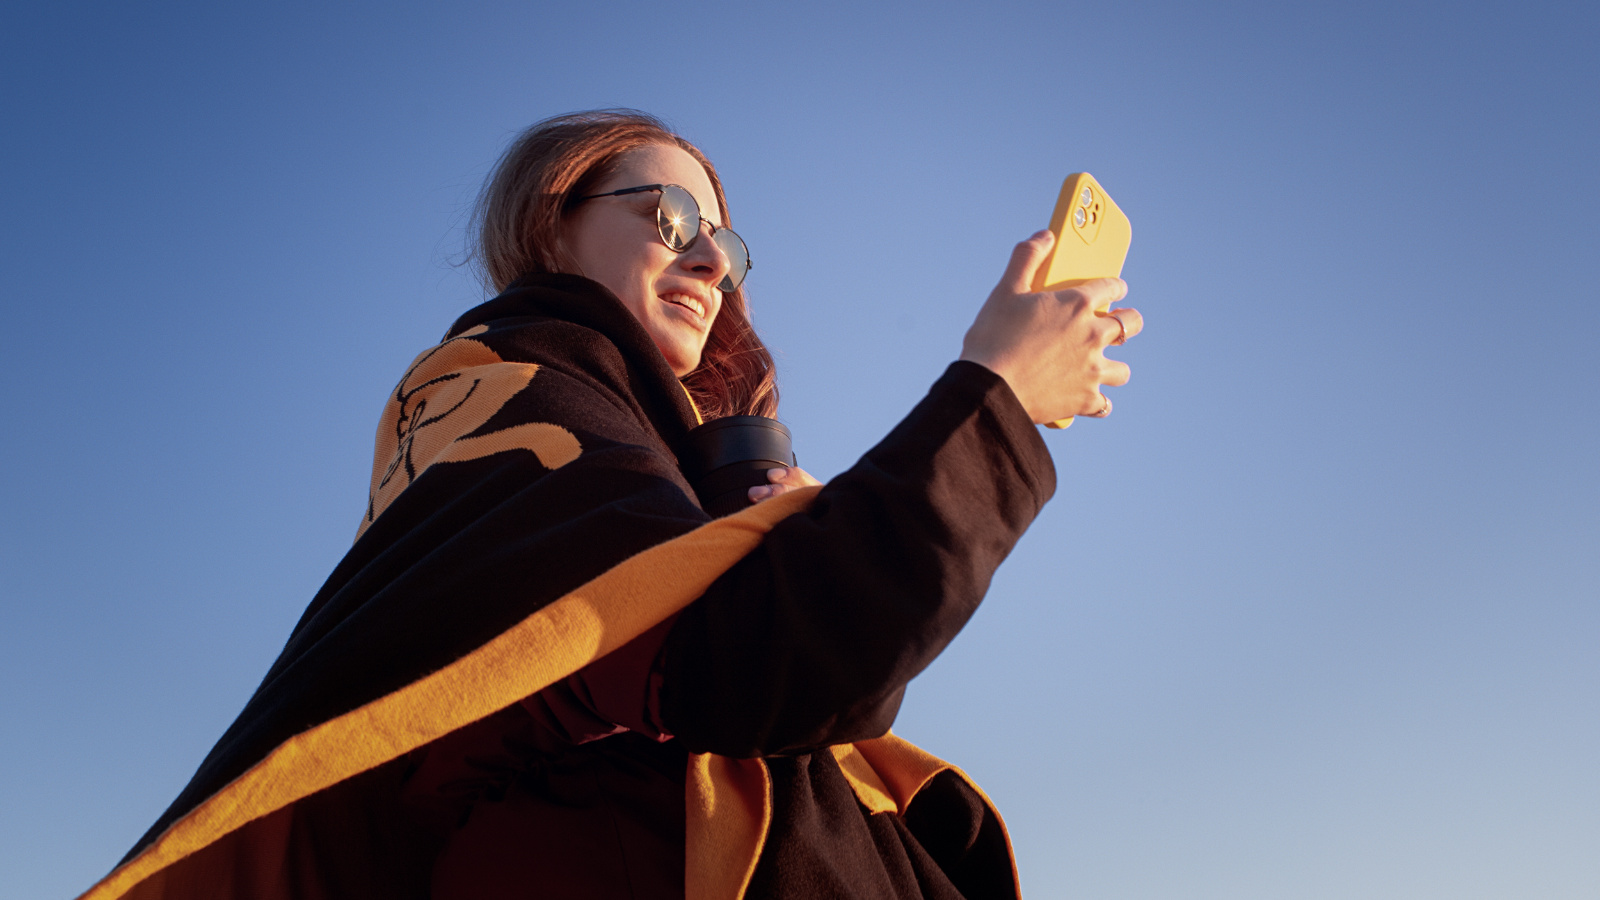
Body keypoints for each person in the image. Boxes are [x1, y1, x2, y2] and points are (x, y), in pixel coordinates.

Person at [84, 110, 1142, 900]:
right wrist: (996, 398)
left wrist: (782, 533)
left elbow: (804, 682)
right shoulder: (497, 380)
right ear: (552, 226)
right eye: (671, 218)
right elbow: (752, 665)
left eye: (727, 245)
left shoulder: (651, 439)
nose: (710, 262)